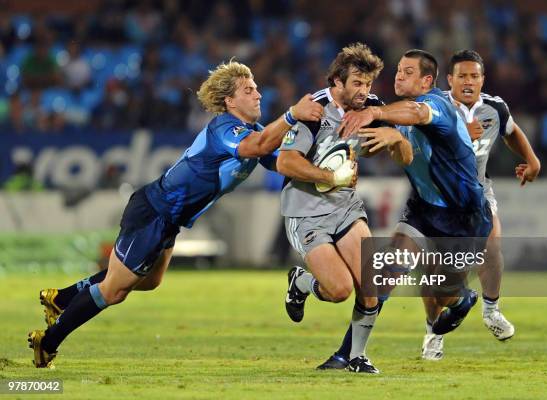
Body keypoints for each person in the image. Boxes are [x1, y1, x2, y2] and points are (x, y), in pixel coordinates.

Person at [29, 60, 324, 368]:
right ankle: (47, 343)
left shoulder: (256, 132)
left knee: (149, 281)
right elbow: (256, 147)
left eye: (257, 89)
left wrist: (322, 169)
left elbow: (281, 162)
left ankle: (61, 299)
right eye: (248, 90)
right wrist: (292, 115)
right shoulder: (224, 127)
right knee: (114, 291)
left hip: (170, 220)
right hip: (153, 211)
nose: (258, 95)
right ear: (230, 101)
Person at [317, 49, 492, 370]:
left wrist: (376, 116)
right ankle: (349, 354)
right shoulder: (398, 114)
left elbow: (416, 112)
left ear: (427, 81)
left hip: (464, 217)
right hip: (423, 211)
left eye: (408, 72)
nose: (399, 75)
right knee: (382, 278)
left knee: (442, 293)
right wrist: (390, 140)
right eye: (398, 70)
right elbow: (406, 157)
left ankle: (463, 299)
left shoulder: (436, 104)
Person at [277, 43, 412, 374]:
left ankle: (357, 356)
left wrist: (395, 140)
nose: (364, 92)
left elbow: (406, 156)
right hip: (305, 211)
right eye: (356, 84)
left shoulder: (373, 110)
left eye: (367, 84)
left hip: (346, 209)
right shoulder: (314, 111)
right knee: (339, 290)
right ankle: (301, 284)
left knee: (372, 286)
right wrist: (329, 176)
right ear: (336, 82)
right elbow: (285, 161)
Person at [439, 50, 541, 356]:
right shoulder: (436, 106)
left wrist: (531, 159)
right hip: (439, 196)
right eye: (462, 76)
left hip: (479, 191)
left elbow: (511, 131)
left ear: (483, 79)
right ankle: (434, 331)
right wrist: (457, 135)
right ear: (450, 80)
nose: (468, 82)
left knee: (493, 244)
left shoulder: (495, 108)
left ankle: (491, 310)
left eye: (474, 76)